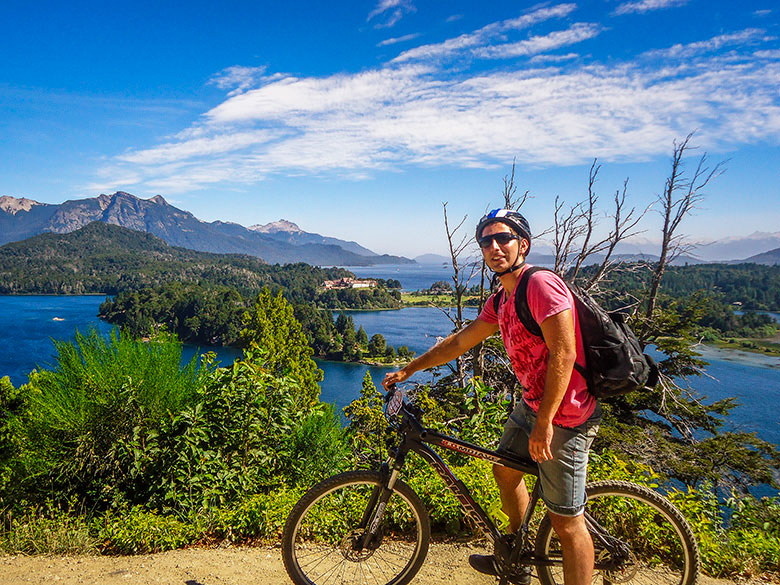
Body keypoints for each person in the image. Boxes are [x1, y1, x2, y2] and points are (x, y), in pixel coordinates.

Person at [382, 208, 601, 585]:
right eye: (486, 241)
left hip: (566, 415)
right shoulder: (503, 298)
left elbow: (564, 354)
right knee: (504, 471)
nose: (494, 247)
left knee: (567, 522)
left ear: (523, 245)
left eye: (504, 238)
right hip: (532, 405)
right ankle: (517, 557)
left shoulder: (540, 286)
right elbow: (461, 341)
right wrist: (410, 369)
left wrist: (546, 422)